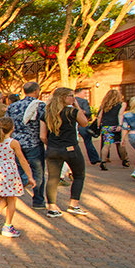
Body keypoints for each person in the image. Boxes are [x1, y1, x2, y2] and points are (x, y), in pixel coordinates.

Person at [40, 87, 90, 218]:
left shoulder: (47, 113)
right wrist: (77, 106)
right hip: (70, 148)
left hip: (53, 149)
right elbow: (85, 123)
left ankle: (52, 207)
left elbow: (42, 136)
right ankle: (74, 204)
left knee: (53, 178)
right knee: (79, 175)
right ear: (63, 97)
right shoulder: (72, 112)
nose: (73, 98)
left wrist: (51, 145)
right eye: (71, 96)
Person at [0, 117, 35, 237]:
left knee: (5, 198)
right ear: (12, 128)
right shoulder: (13, 142)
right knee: (12, 199)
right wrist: (30, 176)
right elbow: (22, 160)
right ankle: (7, 225)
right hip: (9, 173)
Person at [5, 81, 47, 209]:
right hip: (34, 142)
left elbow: (7, 123)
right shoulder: (40, 105)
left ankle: (11, 195)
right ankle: (38, 200)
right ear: (36, 91)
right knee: (38, 172)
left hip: (16, 142)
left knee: (18, 170)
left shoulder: (13, 106)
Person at [98, 89, 129, 170]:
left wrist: (98, 126)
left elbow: (99, 116)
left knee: (106, 144)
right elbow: (120, 114)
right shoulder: (122, 104)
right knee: (119, 143)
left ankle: (103, 162)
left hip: (106, 126)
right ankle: (125, 160)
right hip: (116, 126)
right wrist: (120, 125)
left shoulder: (104, 105)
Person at [74, 88, 101, 165]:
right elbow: (88, 112)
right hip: (82, 123)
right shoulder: (84, 101)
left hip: (73, 123)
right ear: (79, 93)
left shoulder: (71, 101)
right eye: (84, 93)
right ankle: (94, 158)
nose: (85, 95)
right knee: (88, 141)